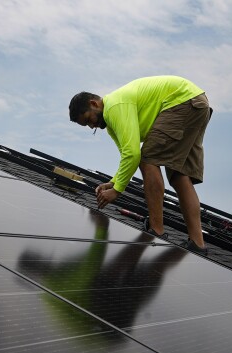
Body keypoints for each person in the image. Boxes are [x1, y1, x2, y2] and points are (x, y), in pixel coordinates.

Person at [68, 75, 212, 254]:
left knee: (147, 159)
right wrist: (113, 182)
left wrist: (117, 191)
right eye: (87, 125)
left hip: (182, 102)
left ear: (94, 104)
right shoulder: (113, 123)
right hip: (196, 103)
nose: (92, 126)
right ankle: (198, 244)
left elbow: (134, 155)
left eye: (89, 119)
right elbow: (127, 157)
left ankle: (156, 231)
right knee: (178, 175)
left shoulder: (114, 107)